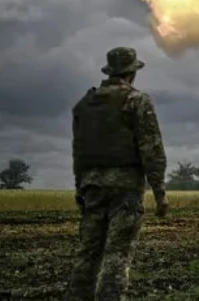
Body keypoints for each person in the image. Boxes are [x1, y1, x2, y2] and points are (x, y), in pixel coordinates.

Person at [65, 47, 169, 301]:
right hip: (125, 189)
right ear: (132, 73)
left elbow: (79, 151)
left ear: (110, 71)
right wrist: (159, 192)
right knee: (117, 256)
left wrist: (81, 187)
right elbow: (151, 148)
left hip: (92, 187)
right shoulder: (137, 101)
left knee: (88, 254)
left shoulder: (84, 105)